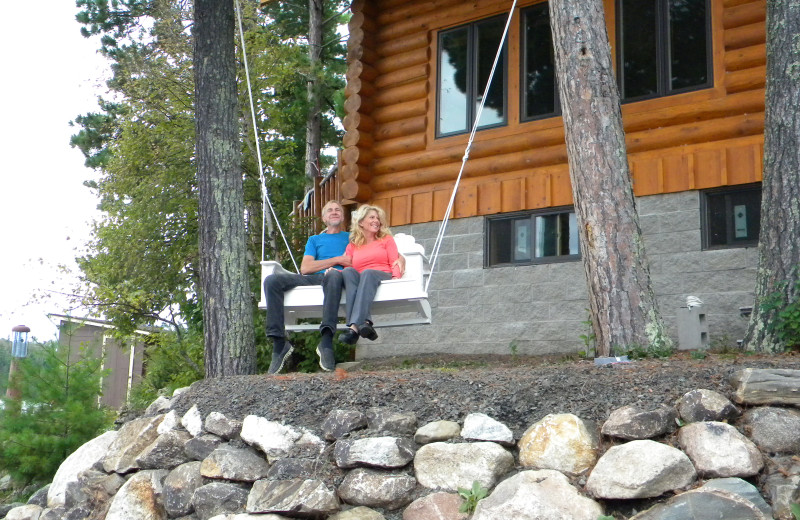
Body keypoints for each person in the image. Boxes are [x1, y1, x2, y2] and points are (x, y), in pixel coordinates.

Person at [264, 200, 350, 373]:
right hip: (315, 278)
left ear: (342, 216)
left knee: (333, 274)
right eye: (330, 210)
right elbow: (306, 268)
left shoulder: (351, 238)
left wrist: (334, 267)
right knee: (272, 280)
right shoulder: (315, 239)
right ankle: (279, 343)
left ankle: (326, 341)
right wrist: (337, 260)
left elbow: (356, 261)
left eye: (338, 210)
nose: (334, 212)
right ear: (324, 218)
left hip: (338, 279)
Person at [339, 205, 403, 345]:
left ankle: (353, 328)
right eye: (372, 217)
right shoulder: (353, 245)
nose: (376, 221)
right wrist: (334, 271)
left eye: (378, 218)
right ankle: (365, 323)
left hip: (382, 275)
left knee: (367, 273)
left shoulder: (386, 239)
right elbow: (347, 265)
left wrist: (396, 278)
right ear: (361, 222)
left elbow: (395, 261)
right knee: (348, 272)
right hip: (363, 280)